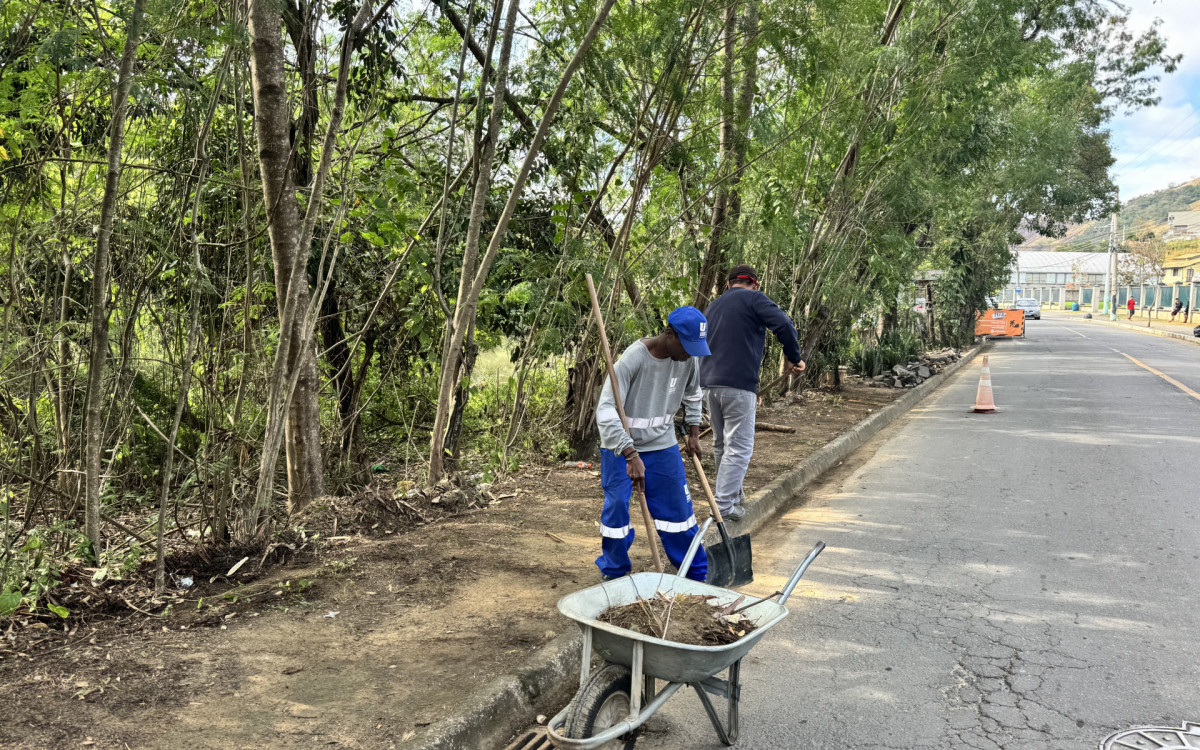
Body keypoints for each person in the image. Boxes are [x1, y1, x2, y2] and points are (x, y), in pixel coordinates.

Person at [595, 306, 710, 581]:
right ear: (670, 334)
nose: (690, 354)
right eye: (687, 346)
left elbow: (693, 394)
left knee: (678, 511)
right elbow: (606, 410)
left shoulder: (688, 360)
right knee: (617, 508)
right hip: (621, 447)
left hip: (662, 444)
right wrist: (630, 453)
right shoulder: (632, 360)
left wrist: (694, 432)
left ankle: (694, 574)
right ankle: (615, 573)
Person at [699, 265, 805, 521]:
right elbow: (784, 324)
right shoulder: (754, 299)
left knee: (722, 444)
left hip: (708, 385)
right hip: (739, 385)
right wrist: (794, 357)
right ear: (755, 285)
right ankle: (724, 505)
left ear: (728, 285)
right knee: (739, 448)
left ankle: (732, 496)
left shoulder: (712, 306)